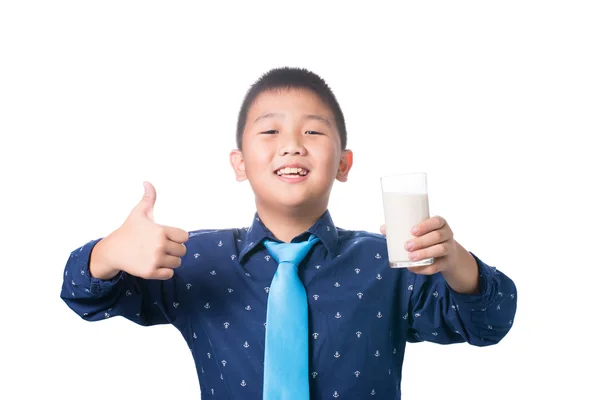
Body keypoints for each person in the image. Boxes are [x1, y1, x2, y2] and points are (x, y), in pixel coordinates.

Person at [60, 67, 518, 399]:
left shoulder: (391, 263)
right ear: (239, 163)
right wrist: (110, 251)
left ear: (343, 164)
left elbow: (490, 322)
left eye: (313, 131)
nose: (292, 144)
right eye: (270, 130)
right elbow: (83, 295)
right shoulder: (195, 259)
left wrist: (455, 260)